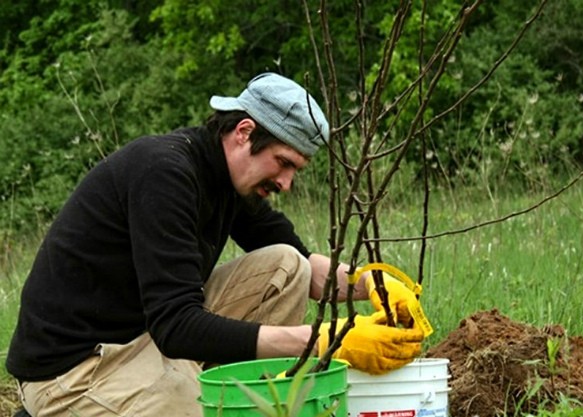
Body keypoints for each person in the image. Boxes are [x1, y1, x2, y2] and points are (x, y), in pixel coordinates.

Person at [6, 72, 424, 417]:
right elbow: (177, 326)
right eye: (283, 164)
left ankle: (244, 404)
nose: (286, 183)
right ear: (244, 132)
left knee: (286, 265)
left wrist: (375, 287)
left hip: (144, 339)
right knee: (193, 407)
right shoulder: (165, 174)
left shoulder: (230, 181)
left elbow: (304, 266)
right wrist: (324, 341)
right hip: (74, 371)